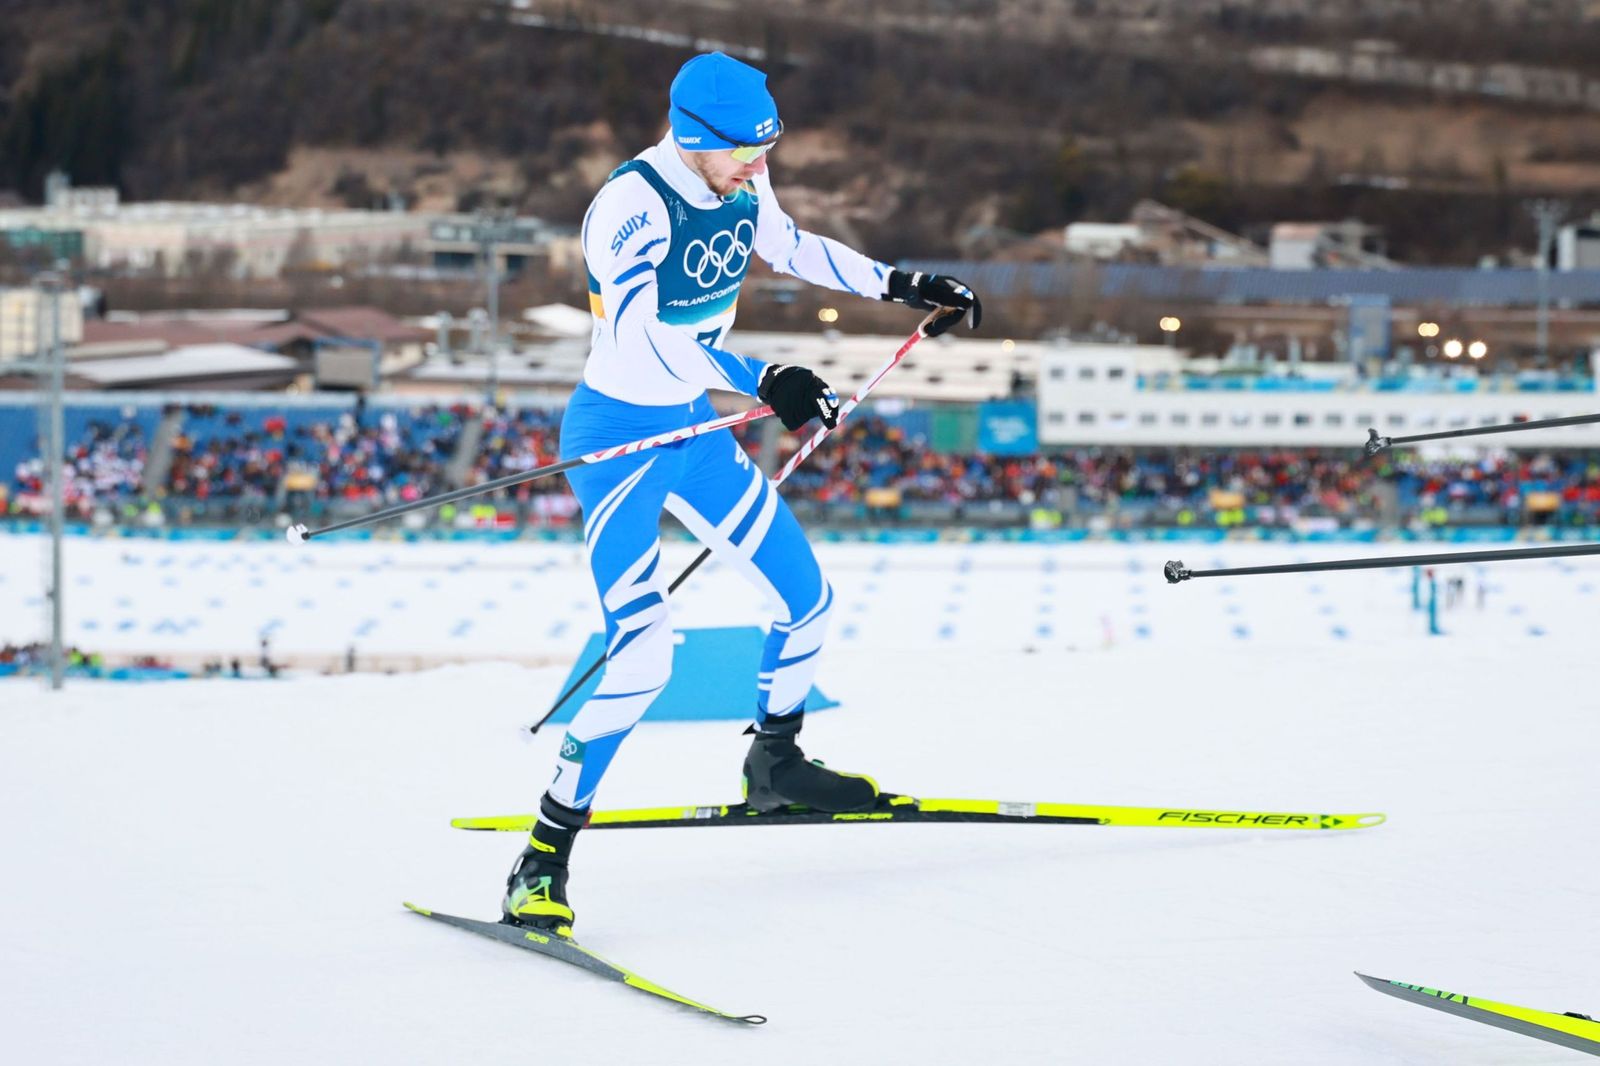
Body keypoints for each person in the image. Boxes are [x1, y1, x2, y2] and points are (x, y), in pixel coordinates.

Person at [502, 51, 981, 932]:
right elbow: (645, 338)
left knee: (808, 600)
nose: (759, 169)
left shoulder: (740, 171)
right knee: (645, 655)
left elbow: (789, 245)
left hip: (694, 429)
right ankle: (542, 858)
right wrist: (764, 378)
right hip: (620, 438)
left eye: (767, 151)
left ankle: (776, 764)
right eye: (745, 155)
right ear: (693, 137)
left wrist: (902, 283)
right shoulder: (629, 208)